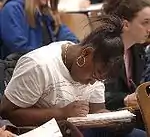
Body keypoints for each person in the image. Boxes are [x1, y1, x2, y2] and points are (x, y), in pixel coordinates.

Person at [0, 15, 146, 137]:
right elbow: (8, 112)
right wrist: (61, 113)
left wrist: (114, 119)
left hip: (78, 129)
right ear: (86, 54)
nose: (91, 83)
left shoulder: (96, 68)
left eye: (99, 79)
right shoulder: (38, 66)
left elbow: (97, 110)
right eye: (94, 76)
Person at [0, 0, 78, 59]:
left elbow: (64, 34)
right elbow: (19, 49)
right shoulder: (12, 9)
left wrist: (75, 48)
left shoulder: (46, 12)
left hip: (44, 65)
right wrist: (53, 56)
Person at [100, 0, 150, 112]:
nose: (149, 29)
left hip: (131, 115)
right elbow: (98, 96)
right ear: (126, 24)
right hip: (109, 120)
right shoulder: (105, 50)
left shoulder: (137, 49)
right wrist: (125, 99)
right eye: (145, 23)